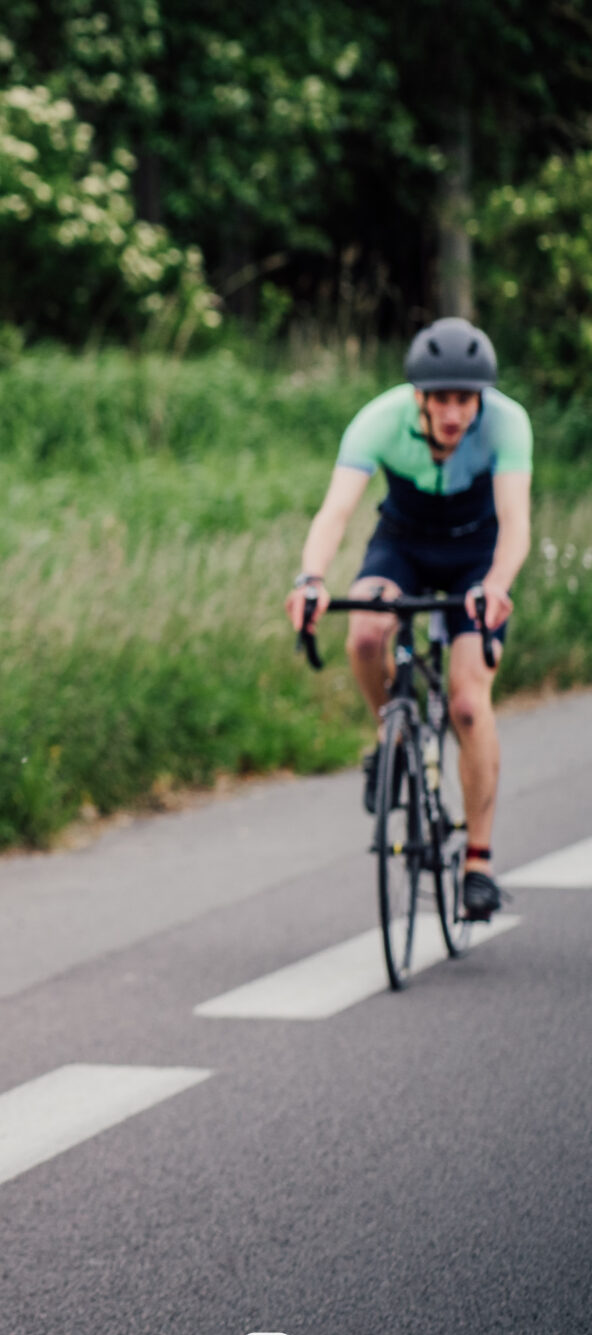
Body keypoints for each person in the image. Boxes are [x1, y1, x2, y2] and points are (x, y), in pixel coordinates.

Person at [286, 318, 533, 918]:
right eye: (441, 399)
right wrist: (310, 578)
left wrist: (496, 586)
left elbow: (516, 524)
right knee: (367, 630)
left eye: (465, 400)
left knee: (468, 703)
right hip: (404, 543)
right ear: (418, 396)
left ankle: (478, 862)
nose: (454, 413)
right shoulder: (378, 420)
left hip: (476, 553)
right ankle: (389, 733)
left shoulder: (508, 423)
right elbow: (335, 512)